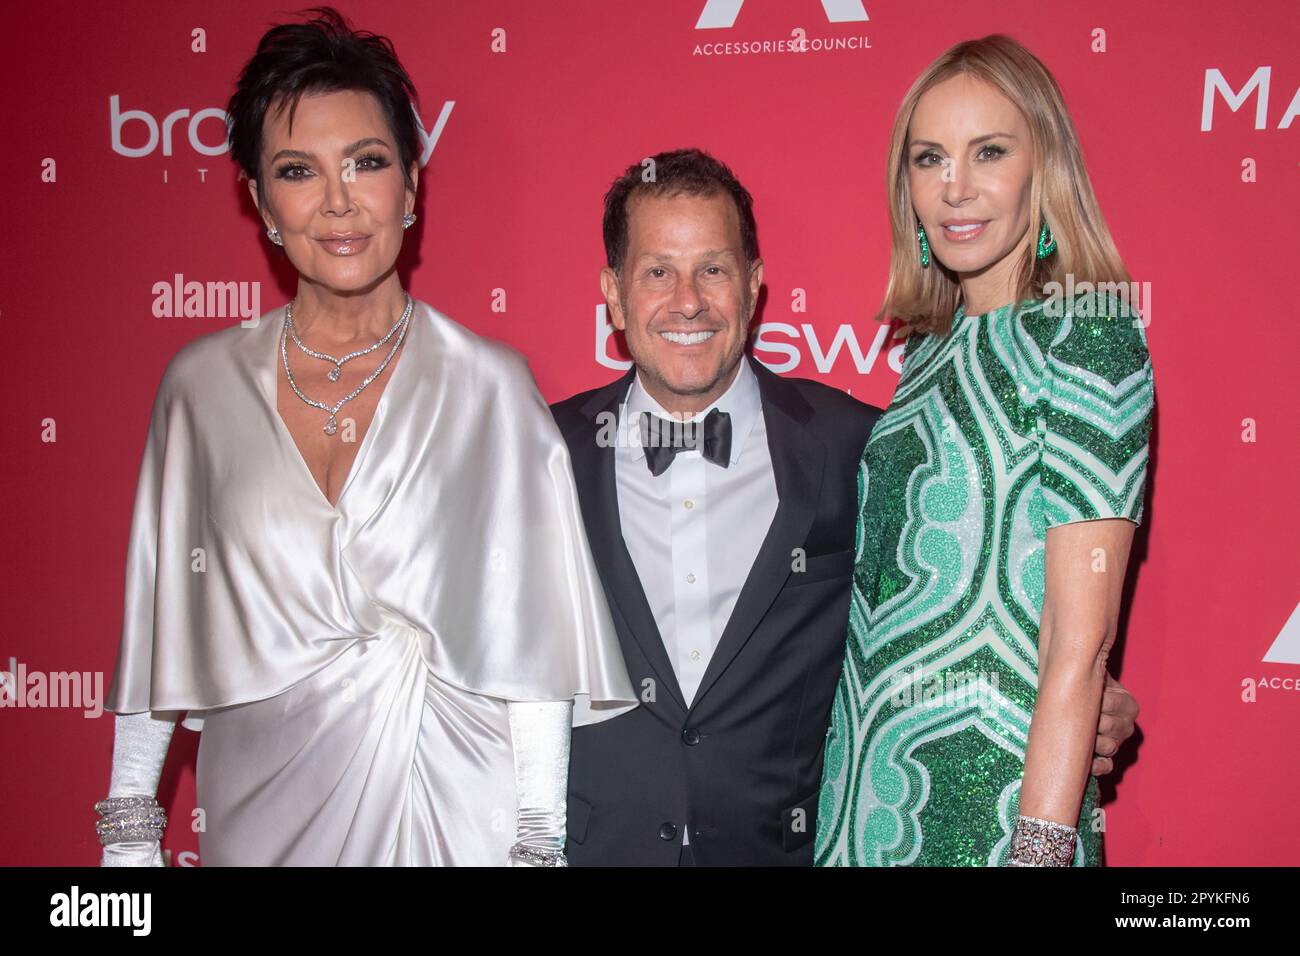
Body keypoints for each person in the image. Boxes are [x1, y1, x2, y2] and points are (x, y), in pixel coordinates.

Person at [96, 7, 636, 867]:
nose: (339, 202)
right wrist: (127, 841)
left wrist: (538, 847)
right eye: (298, 171)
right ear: (260, 201)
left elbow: (533, 650)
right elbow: (163, 632)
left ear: (411, 187)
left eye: (367, 162)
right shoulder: (200, 390)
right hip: (258, 816)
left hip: (453, 818)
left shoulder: (488, 387)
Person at [550, 147, 1142, 866]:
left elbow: (949, 600)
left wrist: (1066, 693)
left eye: (713, 269)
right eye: (657, 272)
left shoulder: (860, 444)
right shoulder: (544, 454)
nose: (688, 301)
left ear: (754, 286)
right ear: (613, 295)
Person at [815, 35, 1156, 867]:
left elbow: (1077, 645)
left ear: (1045, 168)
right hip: (860, 802)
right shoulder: (927, 350)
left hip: (997, 815)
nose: (955, 186)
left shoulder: (1088, 334)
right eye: (929, 157)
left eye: (990, 152)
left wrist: (1038, 855)